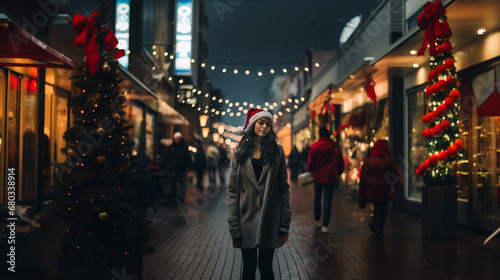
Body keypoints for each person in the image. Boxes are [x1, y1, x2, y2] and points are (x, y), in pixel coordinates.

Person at [227, 108, 291, 280]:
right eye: (260, 123)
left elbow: (284, 188)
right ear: (252, 125)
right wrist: (234, 225)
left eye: (268, 124)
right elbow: (232, 191)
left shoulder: (276, 152)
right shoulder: (239, 153)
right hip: (245, 218)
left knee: (266, 268)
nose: (264, 127)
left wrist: (285, 221)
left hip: (270, 220)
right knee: (248, 269)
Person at [358, 140, 403, 237]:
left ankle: (375, 223)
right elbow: (396, 176)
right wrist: (393, 188)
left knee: (377, 206)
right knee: (382, 208)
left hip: (372, 190)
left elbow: (363, 177)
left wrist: (365, 190)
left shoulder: (368, 160)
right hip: (385, 190)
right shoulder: (390, 160)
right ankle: (378, 226)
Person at [306, 126, 344, 233]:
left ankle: (317, 221)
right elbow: (340, 162)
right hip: (331, 177)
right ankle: (325, 226)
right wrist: (339, 171)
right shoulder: (335, 146)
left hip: (318, 176)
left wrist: (310, 170)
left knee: (317, 198)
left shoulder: (315, 146)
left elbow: (310, 163)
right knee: (328, 200)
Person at [165, 132, 192, 203]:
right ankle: (174, 195)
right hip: (173, 168)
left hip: (182, 167)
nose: (177, 140)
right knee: (174, 182)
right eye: (176, 138)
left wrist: (188, 166)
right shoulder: (171, 147)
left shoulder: (184, 147)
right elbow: (167, 157)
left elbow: (188, 157)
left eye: (178, 138)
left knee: (182, 182)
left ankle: (181, 195)